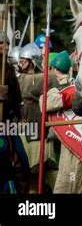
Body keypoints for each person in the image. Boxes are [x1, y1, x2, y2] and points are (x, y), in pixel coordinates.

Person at [40, 51, 82, 193]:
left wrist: (66, 96)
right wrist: (67, 97)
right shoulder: (60, 91)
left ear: (53, 70)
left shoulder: (78, 89)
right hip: (66, 138)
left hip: (79, 139)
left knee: (71, 179)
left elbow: (46, 103)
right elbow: (45, 104)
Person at [17, 43, 59, 193]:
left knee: (47, 165)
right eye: (20, 60)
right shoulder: (20, 77)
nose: (20, 63)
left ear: (32, 62)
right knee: (29, 169)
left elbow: (54, 81)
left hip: (38, 120)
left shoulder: (43, 78)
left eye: (24, 60)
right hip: (23, 122)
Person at [0, 31, 30, 193]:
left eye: (4, 44)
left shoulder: (10, 70)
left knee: (21, 162)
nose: (2, 47)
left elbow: (17, 97)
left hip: (7, 124)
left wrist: (22, 117)